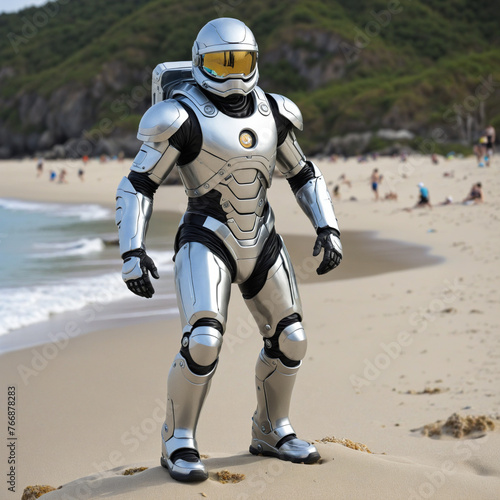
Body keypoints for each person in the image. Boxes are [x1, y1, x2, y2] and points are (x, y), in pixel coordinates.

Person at [115, 18, 342, 483]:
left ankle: (272, 429)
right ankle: (177, 440)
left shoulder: (274, 112)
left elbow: (303, 173)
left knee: (291, 338)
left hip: (262, 238)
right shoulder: (181, 115)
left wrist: (328, 226)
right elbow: (138, 184)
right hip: (206, 237)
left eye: (242, 61)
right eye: (223, 61)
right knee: (203, 341)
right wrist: (131, 250)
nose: (234, 72)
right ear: (201, 63)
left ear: (256, 61)